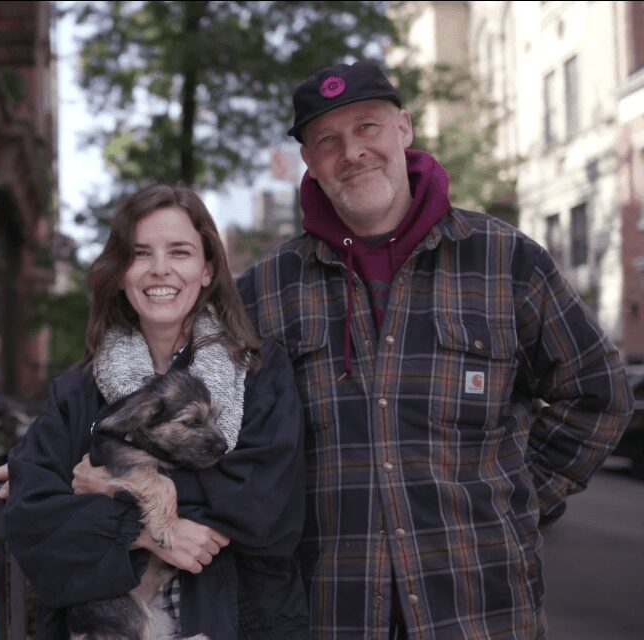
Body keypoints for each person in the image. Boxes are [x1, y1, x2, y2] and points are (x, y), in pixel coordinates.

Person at [236, 61, 633, 639]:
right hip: (330, 612)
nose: (352, 151)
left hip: (480, 611)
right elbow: (228, 438)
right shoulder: (264, 290)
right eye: (328, 140)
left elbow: (599, 393)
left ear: (404, 128)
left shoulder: (506, 260)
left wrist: (522, 496)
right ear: (309, 161)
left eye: (367, 127)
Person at [0, 184, 309, 639]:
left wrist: (112, 484)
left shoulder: (259, 372)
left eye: (179, 252)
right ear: (121, 272)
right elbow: (31, 520)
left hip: (240, 624)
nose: (160, 269)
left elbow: (267, 506)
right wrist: (142, 530)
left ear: (207, 269)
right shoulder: (78, 392)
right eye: (140, 254)